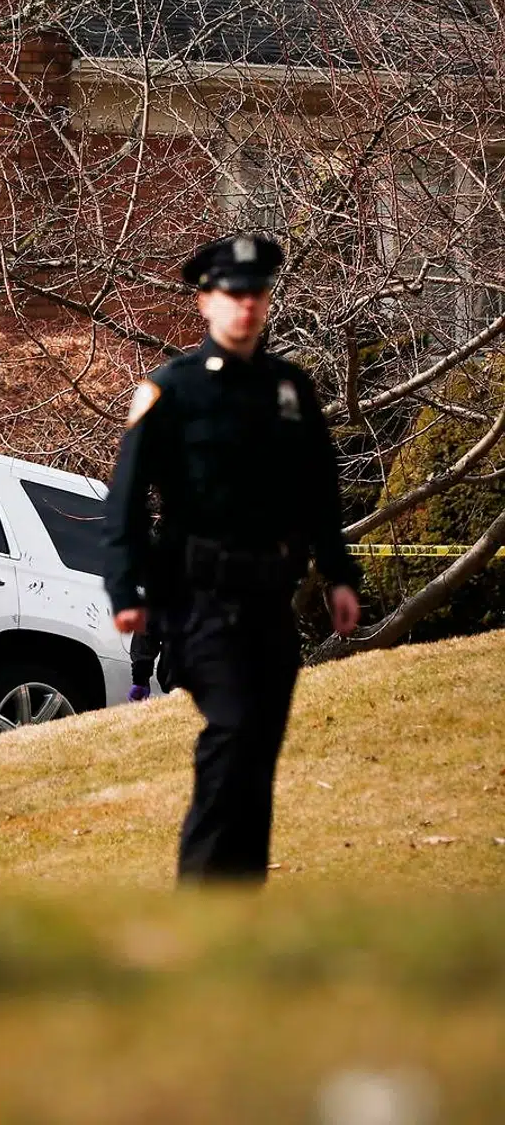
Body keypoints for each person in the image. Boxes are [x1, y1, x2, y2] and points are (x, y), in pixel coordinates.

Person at [102, 233, 361, 882]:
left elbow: (320, 493)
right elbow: (126, 499)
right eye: (232, 295)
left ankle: (243, 902)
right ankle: (199, 898)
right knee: (234, 730)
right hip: (199, 601)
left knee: (260, 747)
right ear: (205, 302)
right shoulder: (170, 390)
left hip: (269, 600)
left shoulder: (289, 389)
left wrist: (339, 576)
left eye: (256, 295)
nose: (246, 306)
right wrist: (125, 591)